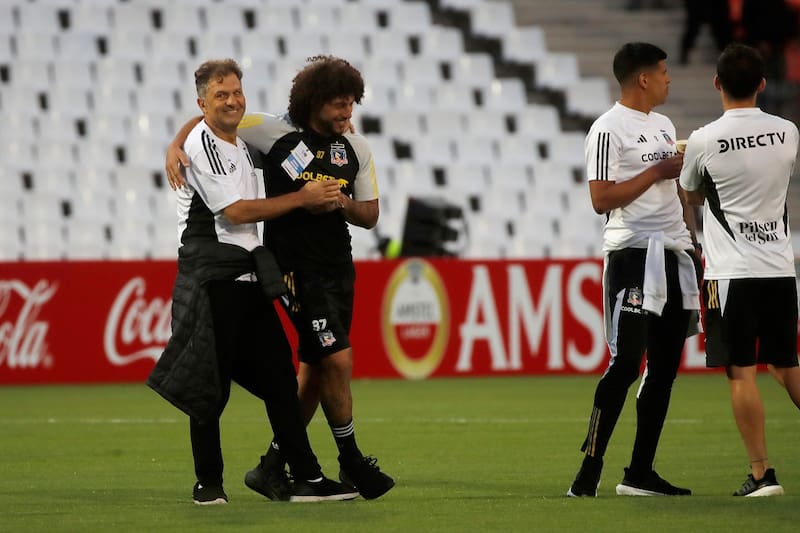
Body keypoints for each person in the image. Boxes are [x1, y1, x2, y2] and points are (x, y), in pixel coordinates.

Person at [165, 55, 395, 500]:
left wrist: (341, 204)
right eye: (338, 105)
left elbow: (370, 214)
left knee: (306, 370)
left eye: (351, 105)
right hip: (287, 269)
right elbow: (210, 121)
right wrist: (174, 144)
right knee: (336, 360)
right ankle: (347, 461)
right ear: (314, 101)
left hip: (331, 268)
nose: (347, 114)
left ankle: (276, 466)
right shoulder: (268, 130)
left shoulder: (356, 147)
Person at [567, 42, 702, 498]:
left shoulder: (664, 125)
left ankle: (639, 472)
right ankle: (590, 467)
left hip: (673, 255)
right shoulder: (607, 129)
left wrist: (691, 231)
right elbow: (600, 199)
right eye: (663, 72)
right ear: (643, 78)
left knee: (664, 368)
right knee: (626, 363)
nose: (668, 79)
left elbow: (674, 187)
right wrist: (657, 172)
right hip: (632, 255)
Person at [679, 43, 800, 497]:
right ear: (763, 84)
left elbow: (690, 196)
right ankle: (760, 473)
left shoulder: (705, 139)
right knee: (787, 366)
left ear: (716, 83)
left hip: (731, 272)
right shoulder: (787, 132)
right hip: (778, 267)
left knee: (741, 370)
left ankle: (761, 473)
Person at [679, 0, 732, 65]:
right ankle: (684, 52)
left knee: (719, 30)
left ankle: (726, 54)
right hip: (698, 5)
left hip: (713, 6)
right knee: (693, 28)